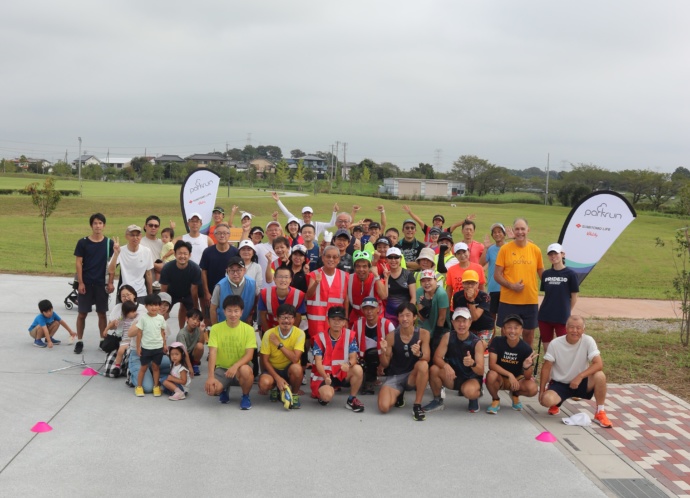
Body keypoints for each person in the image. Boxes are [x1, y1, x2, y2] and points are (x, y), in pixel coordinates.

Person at [539, 315, 613, 428]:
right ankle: (555, 403)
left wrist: (580, 376)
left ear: (583, 329)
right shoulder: (555, 343)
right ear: (566, 328)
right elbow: (546, 367)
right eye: (571, 327)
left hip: (581, 382)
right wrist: (542, 389)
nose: (575, 331)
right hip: (560, 383)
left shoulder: (588, 340)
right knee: (546, 400)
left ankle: (600, 412)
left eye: (578, 328)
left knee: (600, 375)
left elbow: (599, 364)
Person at [423, 307, 485, 413]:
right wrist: (445, 366)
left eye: (464, 321)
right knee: (434, 369)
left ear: (470, 322)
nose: (461, 325)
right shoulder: (448, 336)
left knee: (470, 391)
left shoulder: (477, 342)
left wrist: (472, 363)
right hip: (453, 377)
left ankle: (475, 395)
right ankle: (437, 400)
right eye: (458, 321)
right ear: (453, 322)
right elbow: (436, 358)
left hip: (470, 378)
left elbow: (481, 371)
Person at [494, 218, 544, 347]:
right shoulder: (505, 249)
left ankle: (526, 363)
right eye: (517, 229)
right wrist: (512, 286)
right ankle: (503, 361)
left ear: (528, 230)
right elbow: (497, 275)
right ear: (513, 230)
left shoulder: (535, 250)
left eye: (523, 229)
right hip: (509, 300)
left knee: (528, 333)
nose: (520, 232)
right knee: (506, 333)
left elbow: (542, 273)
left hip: (529, 299)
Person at [378, 303, 430, 421]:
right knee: (383, 407)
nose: (405, 319)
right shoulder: (391, 336)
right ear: (398, 318)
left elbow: (427, 357)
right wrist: (383, 351)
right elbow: (385, 364)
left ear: (414, 317)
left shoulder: (423, 334)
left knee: (423, 364)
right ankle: (399, 395)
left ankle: (417, 406)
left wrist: (419, 354)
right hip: (395, 376)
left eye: (408, 315)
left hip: (412, 376)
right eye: (401, 315)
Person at [74, 213, 117, 355]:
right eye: (95, 223)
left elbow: (112, 265)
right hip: (86, 283)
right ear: (91, 225)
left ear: (104, 225)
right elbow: (78, 263)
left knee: (102, 314)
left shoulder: (109, 243)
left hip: (101, 284)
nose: (98, 226)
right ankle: (79, 341)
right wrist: (80, 282)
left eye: (100, 223)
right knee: (82, 314)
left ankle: (102, 339)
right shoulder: (83, 242)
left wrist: (110, 282)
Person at [204, 295, 256, 410]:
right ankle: (224, 388)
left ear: (241, 312)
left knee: (246, 370)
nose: (233, 314)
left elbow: (249, 355)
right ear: (224, 311)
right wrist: (210, 376)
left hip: (240, 368)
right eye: (229, 311)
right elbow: (212, 353)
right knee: (211, 390)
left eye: (236, 311)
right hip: (222, 368)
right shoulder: (216, 329)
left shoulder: (249, 330)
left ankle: (245, 396)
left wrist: (235, 366)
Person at [310, 306, 365, 412]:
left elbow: (354, 358)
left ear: (344, 322)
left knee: (358, 369)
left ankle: (351, 400)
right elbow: (318, 362)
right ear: (328, 321)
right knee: (326, 397)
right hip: (325, 375)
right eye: (333, 319)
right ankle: (324, 393)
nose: (336, 322)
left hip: (341, 373)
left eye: (340, 320)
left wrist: (348, 365)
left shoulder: (350, 335)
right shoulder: (319, 338)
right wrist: (325, 377)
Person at [486, 314, 538, 414]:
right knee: (491, 375)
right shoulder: (497, 341)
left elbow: (527, 377)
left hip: (517, 379)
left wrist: (526, 367)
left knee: (533, 388)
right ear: (504, 330)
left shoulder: (526, 348)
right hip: (500, 377)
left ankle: (515, 394)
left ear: (521, 330)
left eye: (516, 328)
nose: (512, 331)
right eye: (509, 327)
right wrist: (509, 375)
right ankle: (495, 400)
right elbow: (491, 365)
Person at [259, 304, 306, 409]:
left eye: (289, 317)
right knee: (264, 384)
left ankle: (294, 395)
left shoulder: (300, 333)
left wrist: (279, 344)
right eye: (283, 317)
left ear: (294, 319)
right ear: (277, 318)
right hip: (273, 368)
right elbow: (265, 360)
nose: (286, 321)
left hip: (289, 368)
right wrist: (277, 378)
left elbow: (295, 359)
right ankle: (275, 388)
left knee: (297, 369)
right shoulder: (268, 333)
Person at [538, 243, 580, 352]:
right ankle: (550, 368)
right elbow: (547, 294)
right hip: (544, 315)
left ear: (562, 254)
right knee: (547, 346)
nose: (553, 256)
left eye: (556, 253)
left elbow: (574, 297)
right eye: (550, 254)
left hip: (562, 317)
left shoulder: (571, 274)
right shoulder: (546, 274)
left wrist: (567, 311)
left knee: (564, 346)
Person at [351, 297, 395, 394]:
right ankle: (369, 380)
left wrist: (382, 364)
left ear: (378, 309)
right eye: (366, 309)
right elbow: (352, 348)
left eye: (372, 308)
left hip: (386, 357)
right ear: (362, 310)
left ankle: (394, 383)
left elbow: (393, 349)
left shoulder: (388, 325)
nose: (369, 311)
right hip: (365, 359)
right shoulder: (356, 325)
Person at [305, 246, 349, 339]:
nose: (331, 259)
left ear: (339, 259)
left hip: (336, 322)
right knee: (318, 349)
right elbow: (308, 295)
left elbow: (346, 300)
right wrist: (316, 283)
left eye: (334, 257)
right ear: (323, 257)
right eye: (328, 256)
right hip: (317, 322)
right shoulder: (314, 274)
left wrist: (346, 319)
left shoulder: (345, 276)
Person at [200, 222, 239, 322]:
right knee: (209, 319)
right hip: (211, 292)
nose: (222, 235)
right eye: (219, 233)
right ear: (215, 235)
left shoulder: (235, 252)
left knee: (230, 318)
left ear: (229, 235)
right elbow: (203, 272)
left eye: (225, 233)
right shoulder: (208, 252)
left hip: (230, 292)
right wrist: (206, 292)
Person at [160, 240, 202, 329]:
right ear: (174, 254)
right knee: (162, 314)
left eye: (185, 253)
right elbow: (163, 289)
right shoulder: (167, 268)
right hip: (171, 293)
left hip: (187, 293)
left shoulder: (195, 269)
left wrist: (195, 306)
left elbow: (194, 290)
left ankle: (185, 333)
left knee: (193, 315)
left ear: (189, 255)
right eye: (179, 253)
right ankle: (159, 334)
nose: (182, 256)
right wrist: (163, 305)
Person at [133, 294, 168, 397]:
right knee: (143, 367)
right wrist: (138, 347)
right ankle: (139, 387)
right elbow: (139, 333)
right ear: (146, 306)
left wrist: (164, 345)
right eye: (151, 305)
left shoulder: (161, 318)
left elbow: (162, 332)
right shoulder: (143, 318)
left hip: (158, 348)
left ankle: (156, 386)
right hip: (146, 348)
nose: (154, 307)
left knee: (156, 367)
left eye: (156, 305)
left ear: (159, 306)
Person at [109, 224, 154, 301]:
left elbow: (148, 274)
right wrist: (116, 255)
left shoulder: (147, 251)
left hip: (141, 293)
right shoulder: (121, 251)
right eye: (132, 235)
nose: (135, 238)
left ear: (141, 236)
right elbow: (111, 270)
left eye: (138, 235)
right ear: (127, 236)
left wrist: (150, 294)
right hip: (124, 293)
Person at [451, 270, 494, 351]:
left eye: (473, 283)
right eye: (467, 283)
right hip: (467, 327)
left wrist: (471, 300)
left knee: (480, 347)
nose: (470, 286)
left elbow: (475, 317)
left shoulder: (485, 296)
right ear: (463, 284)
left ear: (477, 284)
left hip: (484, 327)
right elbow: (457, 317)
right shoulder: (457, 296)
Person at [210, 257, 257, 326]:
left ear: (244, 271)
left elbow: (256, 301)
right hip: (224, 324)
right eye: (232, 270)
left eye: (238, 270)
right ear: (227, 271)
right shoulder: (220, 286)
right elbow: (212, 309)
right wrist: (215, 328)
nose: (235, 274)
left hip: (244, 325)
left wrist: (251, 315)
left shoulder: (252, 284)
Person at [272, 192, 338, 240]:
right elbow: (286, 212)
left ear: (312, 215)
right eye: (305, 213)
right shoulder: (298, 222)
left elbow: (331, 224)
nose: (307, 215)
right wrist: (278, 201)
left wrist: (334, 212)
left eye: (309, 213)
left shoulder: (317, 224)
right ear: (302, 214)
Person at [259, 266, 306, 332]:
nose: (283, 280)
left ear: (290, 279)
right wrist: (268, 333)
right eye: (280, 277)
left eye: (286, 277)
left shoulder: (299, 295)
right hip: (270, 329)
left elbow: (298, 318)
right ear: (274, 279)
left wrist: (290, 334)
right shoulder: (265, 293)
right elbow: (262, 315)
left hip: (290, 331)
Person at [479, 222, 509, 320]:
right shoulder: (491, 249)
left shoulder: (510, 247)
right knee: (491, 318)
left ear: (504, 234)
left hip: (506, 287)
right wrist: (485, 248)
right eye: (494, 232)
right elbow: (481, 263)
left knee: (506, 318)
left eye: (499, 232)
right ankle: (492, 336)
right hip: (493, 287)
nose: (497, 234)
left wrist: (514, 239)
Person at [416, 269, 449, 357]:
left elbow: (442, 318)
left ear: (435, 280)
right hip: (426, 324)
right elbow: (422, 317)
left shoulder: (441, 294)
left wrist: (436, 336)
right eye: (423, 281)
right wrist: (426, 307)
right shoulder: (419, 291)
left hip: (441, 327)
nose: (426, 283)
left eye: (429, 280)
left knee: (435, 351)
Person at [102, 300, 139, 377]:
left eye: (135, 311)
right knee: (120, 351)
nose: (135, 313)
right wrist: (106, 329)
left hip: (133, 340)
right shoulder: (122, 318)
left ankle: (129, 368)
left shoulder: (137, 318)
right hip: (125, 340)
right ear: (126, 313)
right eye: (132, 312)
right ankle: (117, 366)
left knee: (130, 353)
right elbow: (112, 323)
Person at [347, 250, 385, 323]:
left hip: (375, 319)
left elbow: (383, 296)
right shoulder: (349, 278)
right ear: (354, 268)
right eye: (358, 266)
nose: (361, 269)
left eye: (364, 266)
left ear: (369, 268)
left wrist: (376, 276)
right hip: (355, 318)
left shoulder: (375, 278)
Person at [382, 247, 415, 326]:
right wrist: (386, 278)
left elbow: (413, 297)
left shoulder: (408, 275)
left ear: (400, 259)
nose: (393, 260)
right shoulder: (383, 275)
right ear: (386, 259)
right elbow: (384, 296)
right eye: (390, 257)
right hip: (390, 315)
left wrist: (409, 314)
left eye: (396, 257)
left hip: (405, 315)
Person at [176, 308, 206, 376]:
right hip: (183, 355)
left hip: (192, 354)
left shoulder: (198, 330)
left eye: (198, 321)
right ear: (187, 319)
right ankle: (187, 365)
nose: (195, 322)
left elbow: (201, 343)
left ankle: (195, 365)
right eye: (193, 319)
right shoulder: (182, 334)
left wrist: (201, 331)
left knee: (200, 346)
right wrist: (189, 367)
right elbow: (184, 351)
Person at [255, 221, 281, 288]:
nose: (274, 232)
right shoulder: (260, 247)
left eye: (276, 230)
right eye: (271, 230)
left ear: (280, 231)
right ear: (266, 233)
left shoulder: (287, 248)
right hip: (265, 288)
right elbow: (243, 250)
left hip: (282, 288)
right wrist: (245, 232)